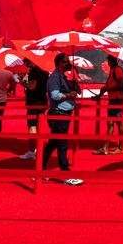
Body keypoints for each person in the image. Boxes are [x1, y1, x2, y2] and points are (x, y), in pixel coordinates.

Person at [42, 53, 83, 186]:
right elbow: (55, 95)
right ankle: (65, 174)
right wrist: (69, 95)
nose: (68, 63)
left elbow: (77, 92)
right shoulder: (54, 77)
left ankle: (40, 169)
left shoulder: (64, 77)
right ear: (60, 63)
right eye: (66, 61)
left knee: (53, 143)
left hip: (63, 114)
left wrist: (74, 85)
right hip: (58, 114)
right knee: (62, 144)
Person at [93, 55, 123, 155]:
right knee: (110, 123)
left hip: (117, 100)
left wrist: (107, 89)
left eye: (107, 61)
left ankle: (120, 147)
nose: (107, 63)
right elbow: (108, 86)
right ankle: (105, 147)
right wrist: (99, 95)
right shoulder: (113, 71)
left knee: (118, 122)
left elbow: (120, 85)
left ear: (110, 61)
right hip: (113, 100)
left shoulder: (118, 70)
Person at [19, 58, 49, 160]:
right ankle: (39, 149)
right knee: (39, 126)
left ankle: (32, 151)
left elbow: (32, 87)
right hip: (43, 102)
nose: (26, 65)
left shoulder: (34, 71)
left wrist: (22, 83)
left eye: (26, 63)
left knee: (32, 126)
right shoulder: (45, 72)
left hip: (34, 103)